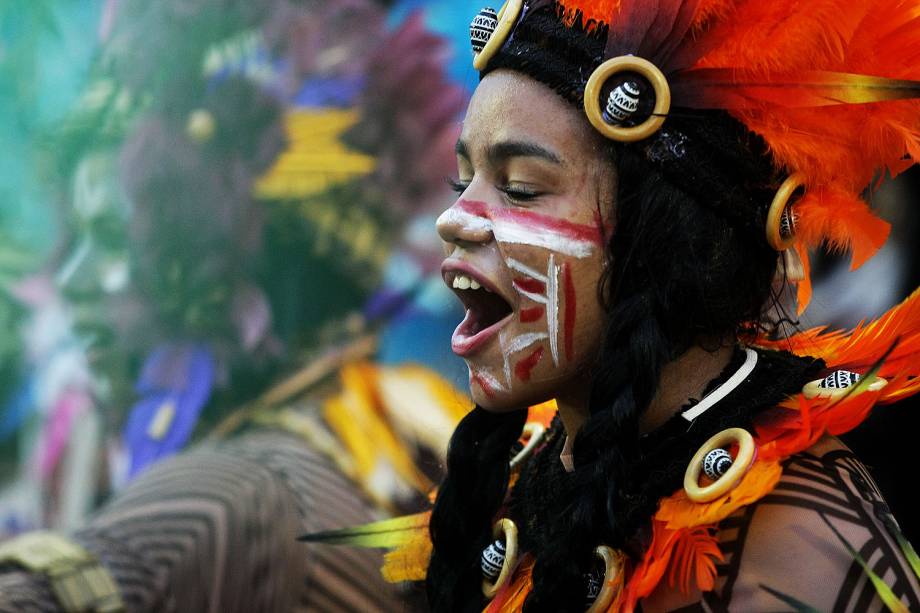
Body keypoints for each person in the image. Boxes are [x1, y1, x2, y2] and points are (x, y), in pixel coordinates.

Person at [316, 0, 920, 611]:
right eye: (462, 179)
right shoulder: (524, 474)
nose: (455, 219)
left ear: (662, 240)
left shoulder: (793, 546)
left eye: (520, 188)